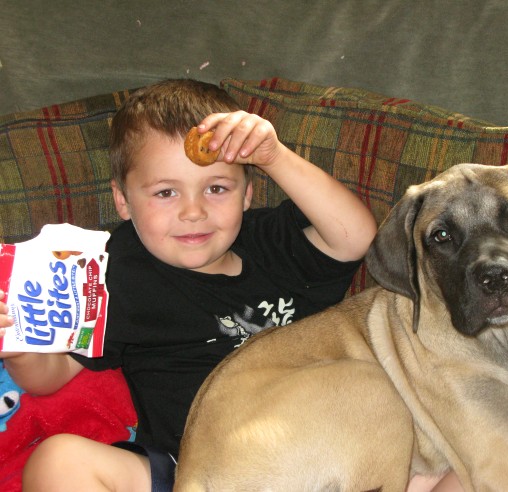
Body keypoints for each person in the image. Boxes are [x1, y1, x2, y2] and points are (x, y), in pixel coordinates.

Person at [0, 79, 460, 491]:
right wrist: (18, 345)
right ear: (123, 199)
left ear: (247, 192)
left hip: (325, 445)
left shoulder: (271, 243)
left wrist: (274, 156)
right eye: (165, 192)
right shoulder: (115, 272)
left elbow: (357, 238)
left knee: (481, 463)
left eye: (216, 188)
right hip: (197, 468)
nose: (193, 210)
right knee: (59, 461)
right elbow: (52, 376)